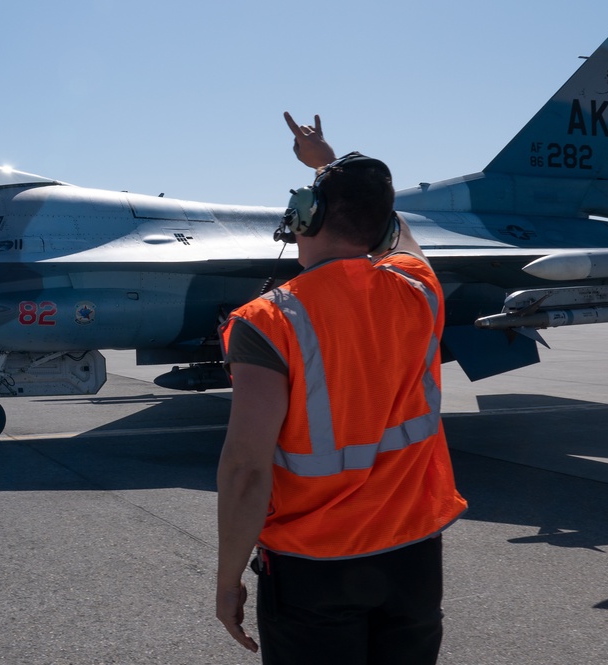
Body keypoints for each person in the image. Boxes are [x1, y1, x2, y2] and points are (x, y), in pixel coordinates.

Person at [214, 112, 468, 664]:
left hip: (314, 571)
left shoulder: (267, 323)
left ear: (307, 217)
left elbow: (246, 468)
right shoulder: (419, 289)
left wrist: (228, 577)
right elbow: (400, 238)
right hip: (414, 559)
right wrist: (334, 169)